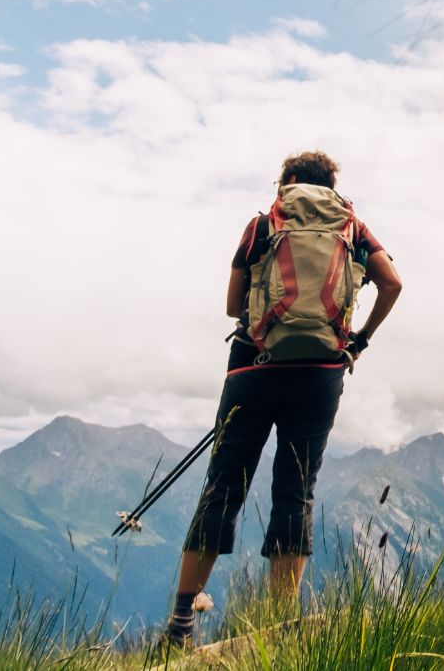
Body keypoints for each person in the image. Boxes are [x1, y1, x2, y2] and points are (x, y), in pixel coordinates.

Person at [164, 150, 403, 647]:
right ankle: (276, 629)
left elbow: (233, 305)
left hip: (254, 369)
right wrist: (357, 340)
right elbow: (393, 283)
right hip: (320, 376)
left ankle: (182, 621)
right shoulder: (353, 228)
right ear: (330, 185)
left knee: (222, 488)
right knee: (296, 492)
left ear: (289, 182)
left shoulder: (262, 225)